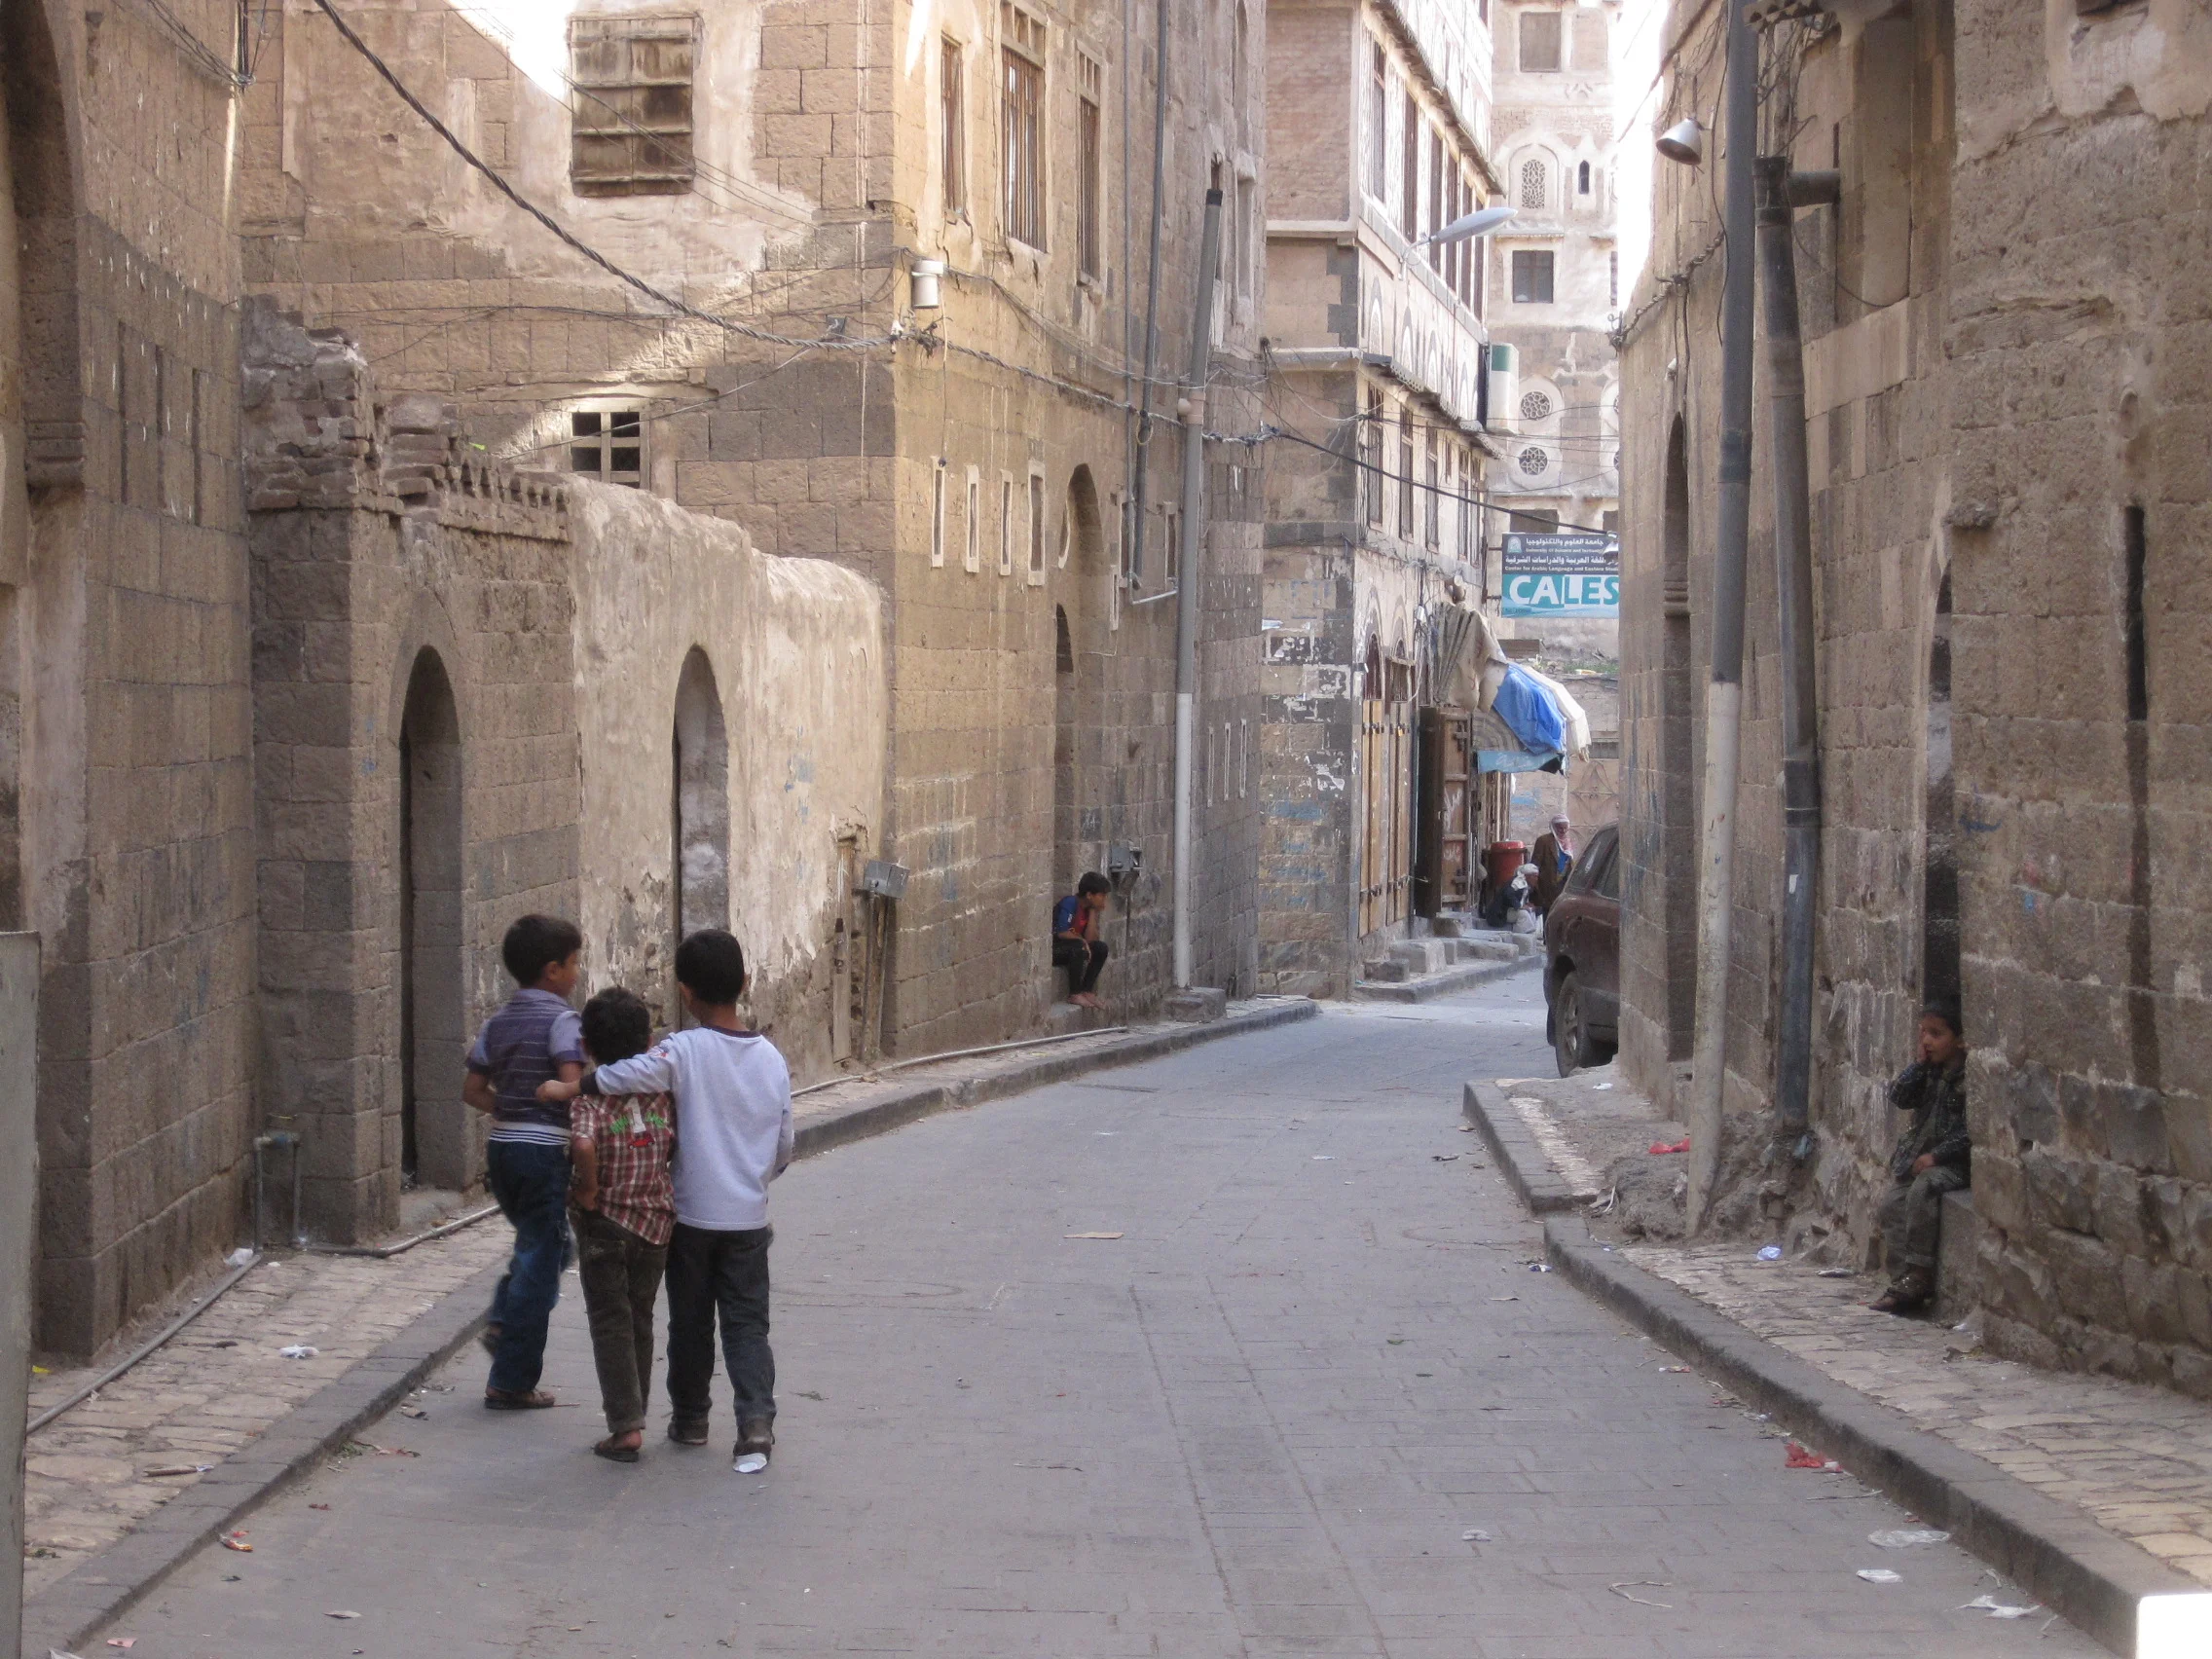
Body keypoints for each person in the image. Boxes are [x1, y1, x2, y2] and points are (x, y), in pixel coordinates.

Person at [540, 929, 793, 1472]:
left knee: (691, 1320)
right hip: (749, 1217)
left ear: (684, 992)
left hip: (693, 1217)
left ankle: (690, 1421)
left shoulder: (682, 1051)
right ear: (745, 983)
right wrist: (755, 1178)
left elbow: (625, 1074)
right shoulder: (772, 1060)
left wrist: (574, 1087)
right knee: (748, 1323)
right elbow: (784, 1144)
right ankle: (755, 1424)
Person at [462, 914, 586, 1411]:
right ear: (553, 970)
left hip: (503, 1149)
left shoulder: (498, 1022)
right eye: (574, 963)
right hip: (542, 1152)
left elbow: (472, 1089)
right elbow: (572, 1086)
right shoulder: (562, 1020)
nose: (578, 972)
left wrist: (509, 1109)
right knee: (542, 1258)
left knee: (547, 1246)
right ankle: (511, 1379)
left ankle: (501, 1318)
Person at [567, 986, 677, 1463]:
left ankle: (625, 1425)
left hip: (606, 1223)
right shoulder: (662, 1093)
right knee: (641, 1316)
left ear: (587, 1047)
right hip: (655, 1224)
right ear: (649, 1041)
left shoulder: (589, 1099)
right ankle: (638, 1412)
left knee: (610, 1321)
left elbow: (584, 1145)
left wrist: (588, 1190)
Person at [1869, 1004, 1971, 1315]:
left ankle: (1920, 1274)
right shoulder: (1929, 1072)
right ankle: (1903, 1282)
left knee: (1922, 1190)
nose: (1927, 1041)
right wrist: (1918, 1065)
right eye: (1923, 1034)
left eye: (1936, 1034)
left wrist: (1938, 1155)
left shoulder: (1968, 1079)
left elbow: (1972, 1132)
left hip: (1954, 1164)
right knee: (1891, 1204)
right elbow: (1899, 1097)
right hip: (1921, 1160)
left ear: (1960, 1040)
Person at [1053, 871, 1112, 1008]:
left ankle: (1087, 991)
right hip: (1056, 949)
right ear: (1089, 895)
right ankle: (1075, 993)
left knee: (1101, 948)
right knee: (1078, 947)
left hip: (1074, 949)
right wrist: (1082, 941)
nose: (1104, 900)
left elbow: (1091, 939)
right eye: (1102, 895)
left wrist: (1092, 913)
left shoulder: (1087, 910)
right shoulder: (1070, 903)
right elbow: (1062, 932)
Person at [1531, 816, 1576, 913]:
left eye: (1565, 828)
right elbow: (1535, 863)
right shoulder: (1543, 841)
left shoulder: (1569, 842)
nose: (1563, 831)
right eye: (1560, 828)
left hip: (1563, 884)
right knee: (1547, 912)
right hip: (1547, 884)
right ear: (1554, 828)